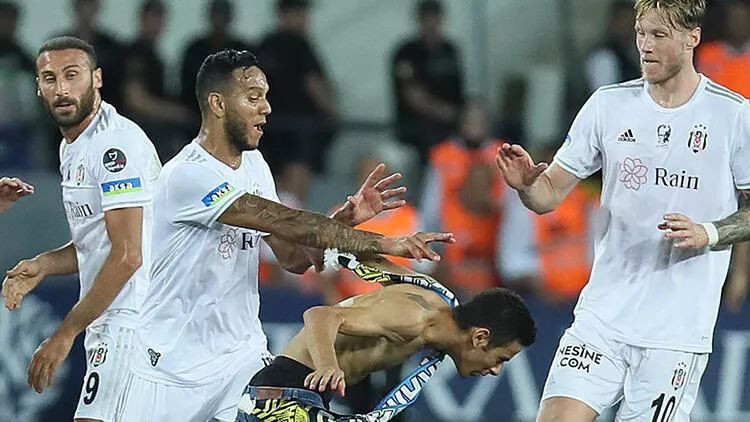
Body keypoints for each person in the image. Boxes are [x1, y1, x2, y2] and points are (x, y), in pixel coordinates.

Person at [117, 49, 454, 422]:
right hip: (171, 365)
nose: (266, 108)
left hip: (240, 359)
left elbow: (293, 257)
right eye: (253, 97)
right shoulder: (186, 175)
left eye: (265, 96)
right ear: (217, 104)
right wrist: (387, 243)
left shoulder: (254, 165)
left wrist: (345, 220)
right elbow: (287, 220)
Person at [495, 1, 750, 420]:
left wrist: (710, 233)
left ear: (693, 38)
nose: (645, 46)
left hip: (675, 334)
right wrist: (527, 186)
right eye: (640, 33)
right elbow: (548, 194)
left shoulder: (732, 116)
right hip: (602, 317)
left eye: (659, 35)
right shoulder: (608, 105)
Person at [2, 36, 161, 422]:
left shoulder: (113, 147)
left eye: (72, 75)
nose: (61, 89)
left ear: (97, 78)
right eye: (50, 78)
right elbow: (99, 243)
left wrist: (64, 334)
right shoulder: (73, 145)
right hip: (113, 318)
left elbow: (129, 255)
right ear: (38, 87)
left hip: (132, 319)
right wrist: (44, 265)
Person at [237, 252, 536, 421]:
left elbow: (360, 258)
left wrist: (390, 245)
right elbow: (320, 316)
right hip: (287, 396)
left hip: (297, 395)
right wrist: (328, 366)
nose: (496, 370)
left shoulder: (435, 298)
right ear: (480, 337)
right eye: (501, 358)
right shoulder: (414, 318)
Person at [420, 101, 506, 298]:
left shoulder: (501, 152)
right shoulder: (443, 154)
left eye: (480, 121)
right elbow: (430, 204)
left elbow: (510, 200)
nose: (474, 127)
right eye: (470, 121)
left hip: (492, 229)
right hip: (451, 229)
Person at [256, 0, 338, 175]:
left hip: (267, 126)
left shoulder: (264, 45)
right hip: (298, 129)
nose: (306, 19)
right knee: (297, 173)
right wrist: (333, 114)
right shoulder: (299, 44)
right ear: (287, 14)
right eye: (301, 13)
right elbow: (313, 84)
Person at [391, 0, 464, 164]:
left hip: (451, 125)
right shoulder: (406, 53)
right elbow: (414, 97)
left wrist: (460, 115)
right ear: (419, 20)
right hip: (415, 128)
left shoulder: (450, 50)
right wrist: (443, 112)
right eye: (426, 18)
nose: (431, 24)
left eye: (434, 18)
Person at [122, 0, 192, 160]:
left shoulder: (155, 55)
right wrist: (177, 113)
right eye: (152, 18)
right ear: (142, 19)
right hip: (141, 127)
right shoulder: (136, 53)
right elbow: (136, 100)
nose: (156, 24)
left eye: (160, 19)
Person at [180, 0, 248, 117]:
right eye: (216, 16)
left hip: (234, 115)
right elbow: (186, 89)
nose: (219, 21)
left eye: (223, 16)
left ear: (230, 18)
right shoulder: (194, 50)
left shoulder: (242, 51)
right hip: (197, 114)